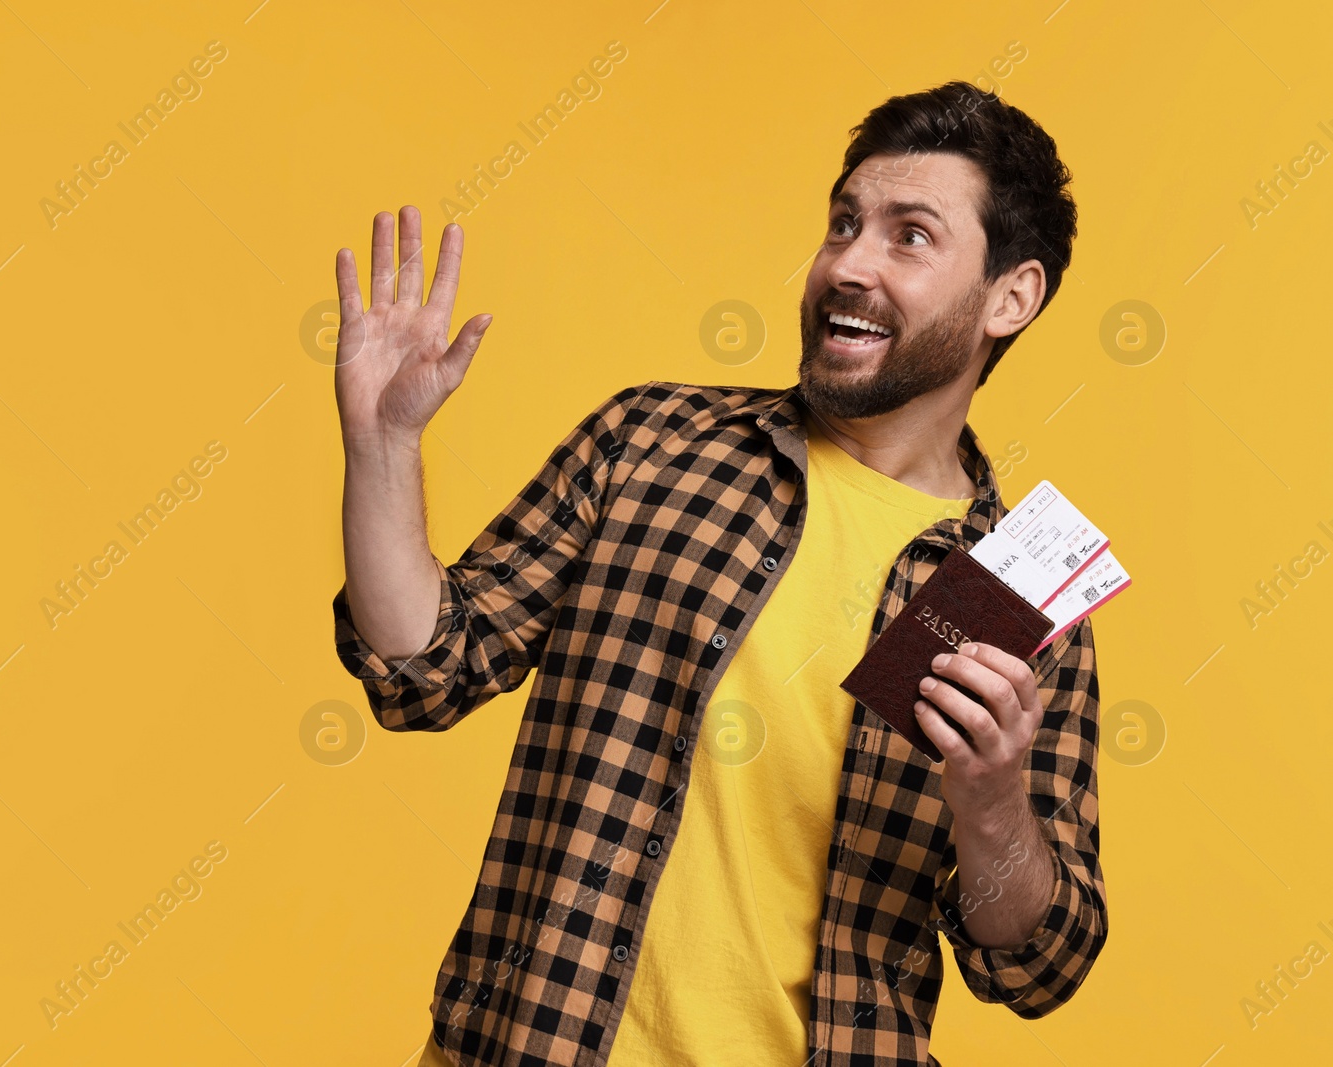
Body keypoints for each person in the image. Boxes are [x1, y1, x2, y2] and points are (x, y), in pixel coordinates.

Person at [331, 80, 1106, 1067]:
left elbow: (1038, 961)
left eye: (909, 235)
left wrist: (992, 804)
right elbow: (426, 668)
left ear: (1011, 295)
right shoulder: (654, 439)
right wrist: (385, 443)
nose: (848, 264)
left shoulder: (1016, 595)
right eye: (842, 223)